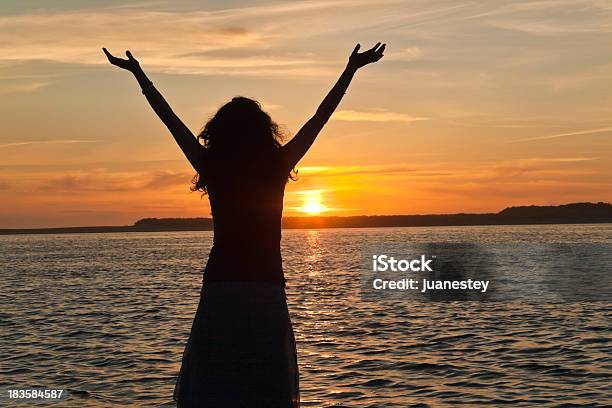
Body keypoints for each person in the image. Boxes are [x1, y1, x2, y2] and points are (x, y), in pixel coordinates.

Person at [103, 42, 385, 407]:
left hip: (220, 287)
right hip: (265, 288)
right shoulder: (277, 164)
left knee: (212, 383)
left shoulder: (212, 165)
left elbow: (169, 119)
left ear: (218, 132)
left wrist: (139, 75)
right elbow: (320, 117)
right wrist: (351, 69)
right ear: (263, 131)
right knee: (267, 386)